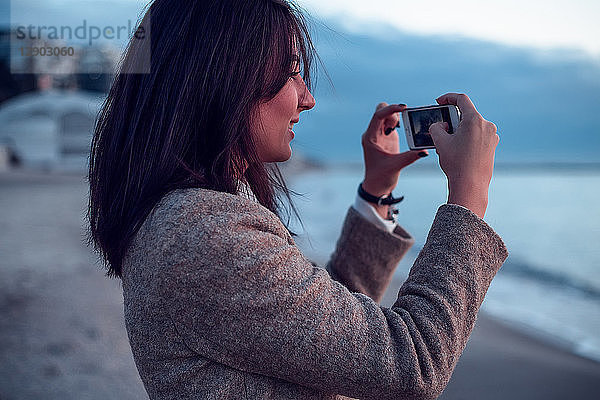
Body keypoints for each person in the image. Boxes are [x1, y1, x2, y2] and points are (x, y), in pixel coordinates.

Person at [86, 0, 508, 399]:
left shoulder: (186, 222)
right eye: (291, 72)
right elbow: (412, 359)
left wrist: (378, 190)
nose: (307, 98)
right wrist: (469, 198)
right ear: (226, 76)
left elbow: (322, 337)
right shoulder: (203, 235)